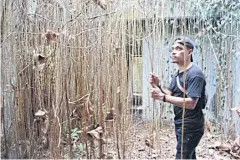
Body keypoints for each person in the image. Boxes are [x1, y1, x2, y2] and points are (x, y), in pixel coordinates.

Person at [149, 36, 206, 159]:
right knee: (189, 156)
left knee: (182, 156)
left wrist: (163, 97)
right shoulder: (178, 75)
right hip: (181, 122)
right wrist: (157, 85)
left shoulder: (195, 74)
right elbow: (168, 94)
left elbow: (191, 103)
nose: (174, 51)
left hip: (191, 125)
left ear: (189, 52)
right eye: (173, 49)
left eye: (179, 48)